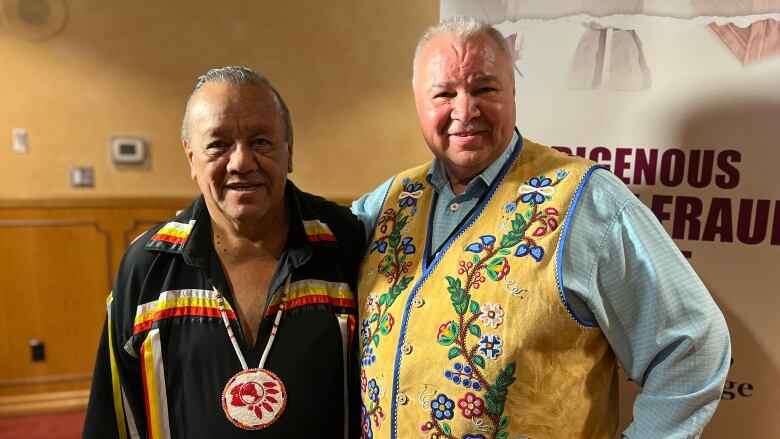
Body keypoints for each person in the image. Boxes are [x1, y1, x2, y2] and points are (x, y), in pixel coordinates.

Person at [351, 17, 730, 439]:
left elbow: (694, 345)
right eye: (443, 94)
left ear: (512, 91)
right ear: (419, 105)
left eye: (484, 89)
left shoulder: (588, 201)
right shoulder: (383, 205)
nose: (465, 110)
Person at [84, 66, 364, 438]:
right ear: (191, 159)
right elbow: (114, 417)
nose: (241, 162)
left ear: (289, 151)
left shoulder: (349, 243)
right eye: (218, 144)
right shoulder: (147, 267)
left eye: (261, 141)